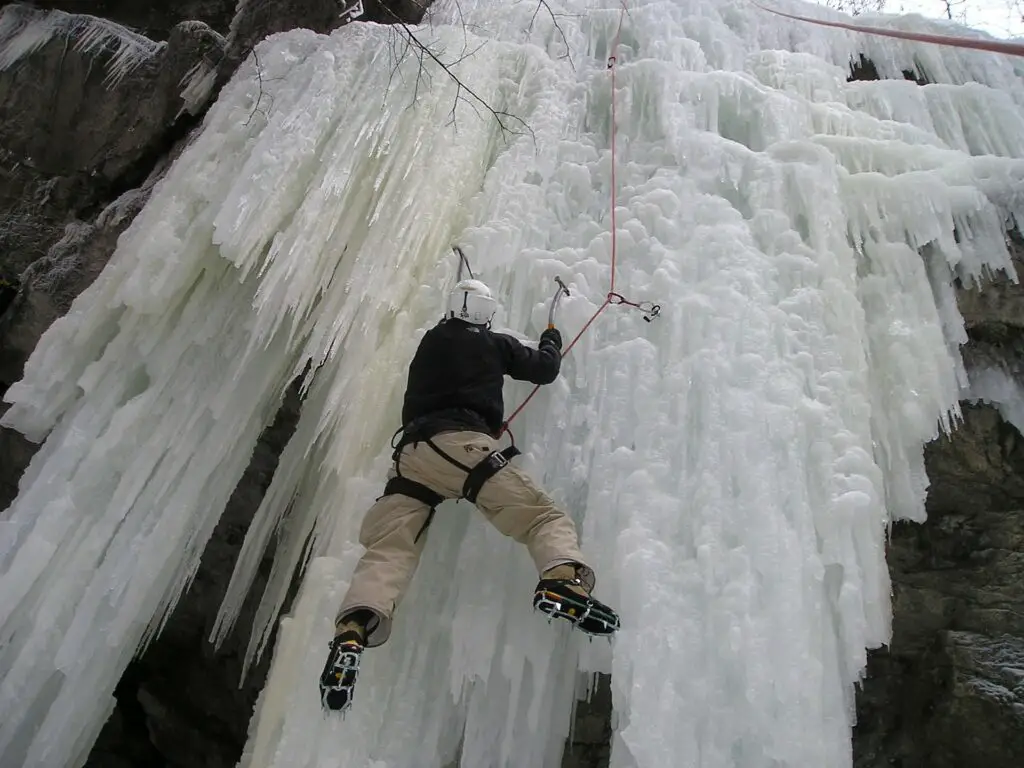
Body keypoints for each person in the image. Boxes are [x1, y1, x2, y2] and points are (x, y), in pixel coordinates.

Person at [319, 278, 620, 712]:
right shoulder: (493, 344)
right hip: (464, 447)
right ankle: (560, 583)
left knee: (390, 548)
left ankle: (354, 627)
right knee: (541, 518)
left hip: (411, 458)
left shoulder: (428, 342)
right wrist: (551, 339)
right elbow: (545, 370)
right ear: (485, 313)